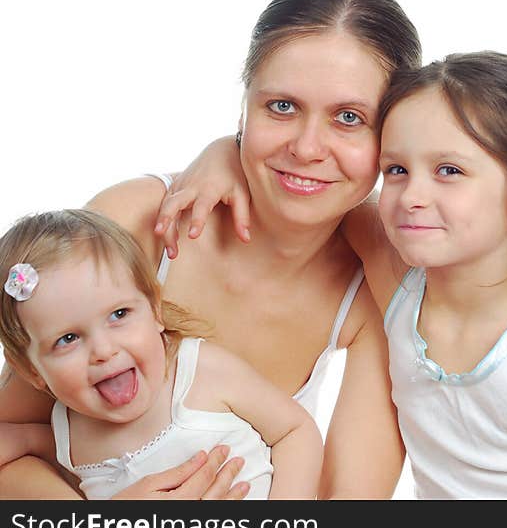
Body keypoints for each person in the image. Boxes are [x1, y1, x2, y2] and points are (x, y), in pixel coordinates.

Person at [150, 51, 507, 499]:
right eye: (396, 170)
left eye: (449, 171)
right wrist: (223, 154)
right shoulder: (399, 283)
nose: (412, 196)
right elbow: (314, 193)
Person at [0, 0, 421, 499]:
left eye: (349, 117)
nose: (308, 148)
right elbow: (7, 443)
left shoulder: (375, 293)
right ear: (244, 105)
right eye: (282, 106)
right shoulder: (133, 226)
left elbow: (350, 507)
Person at [0, 210, 323, 499]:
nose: (104, 350)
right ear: (32, 371)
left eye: (119, 315)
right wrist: (27, 439)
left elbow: (295, 430)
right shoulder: (67, 431)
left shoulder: (201, 372)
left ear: (155, 310)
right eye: (68, 338)